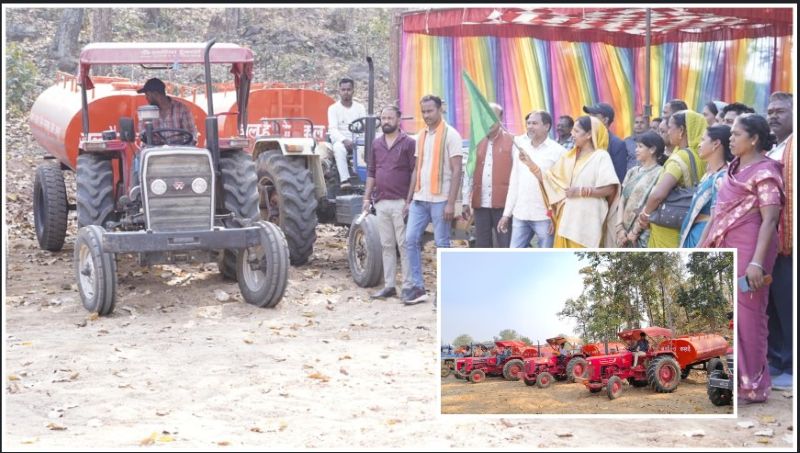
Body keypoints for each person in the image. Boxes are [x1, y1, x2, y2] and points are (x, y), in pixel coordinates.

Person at [699, 113, 784, 404]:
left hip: (751, 251)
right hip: (724, 246)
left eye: (736, 134)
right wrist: (700, 246)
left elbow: (770, 219)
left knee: (749, 316)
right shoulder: (733, 169)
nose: (730, 139)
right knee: (731, 317)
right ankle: (735, 381)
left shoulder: (766, 171)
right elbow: (717, 213)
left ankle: (754, 385)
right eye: (730, 134)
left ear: (754, 139)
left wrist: (757, 263)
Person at [520, 116, 620, 248]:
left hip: (587, 221)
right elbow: (550, 181)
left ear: (589, 134)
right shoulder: (569, 157)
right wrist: (531, 164)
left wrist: (580, 191)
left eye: (576, 131)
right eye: (572, 130)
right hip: (566, 219)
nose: (572, 134)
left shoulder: (600, 156)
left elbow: (610, 189)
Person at [404, 95, 463, 305]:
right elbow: (416, 169)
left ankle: (445, 290)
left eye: (430, 111)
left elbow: (457, 171)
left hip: (440, 200)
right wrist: (409, 199)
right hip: (420, 199)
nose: (427, 115)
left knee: (442, 244)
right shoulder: (420, 136)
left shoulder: (451, 135)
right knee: (410, 240)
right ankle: (418, 287)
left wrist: (450, 203)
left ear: (440, 110)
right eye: (424, 112)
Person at [362, 106, 416, 300]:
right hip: (382, 201)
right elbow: (371, 172)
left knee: (404, 244)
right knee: (386, 245)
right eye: (383, 118)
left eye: (390, 118)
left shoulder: (408, 143)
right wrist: (367, 198)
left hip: (400, 201)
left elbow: (414, 172)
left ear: (398, 120)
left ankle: (409, 285)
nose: (386, 121)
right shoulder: (377, 144)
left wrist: (409, 201)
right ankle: (390, 285)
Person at [638, 110, 707, 248]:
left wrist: (645, 215)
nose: (667, 132)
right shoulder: (701, 156)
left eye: (670, 127)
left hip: (667, 228)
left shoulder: (679, 158)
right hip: (686, 222)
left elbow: (658, 194)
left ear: (681, 130)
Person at [498, 111, 565, 248]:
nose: (530, 126)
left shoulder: (558, 152)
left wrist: (555, 217)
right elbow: (514, 183)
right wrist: (506, 215)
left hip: (545, 217)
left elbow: (561, 188)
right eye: (528, 123)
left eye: (534, 123)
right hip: (520, 214)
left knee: (545, 260)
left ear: (546, 126)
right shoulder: (520, 150)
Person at [765, 91, 793, 391]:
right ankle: (775, 361)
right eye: (770, 111)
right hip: (770, 241)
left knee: (788, 305)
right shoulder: (777, 148)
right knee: (772, 304)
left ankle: (791, 365)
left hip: (789, 240)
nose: (773, 115)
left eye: (780, 111)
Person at [460, 103, 513, 248]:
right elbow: (469, 174)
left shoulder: (513, 141)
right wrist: (465, 201)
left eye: (492, 116)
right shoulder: (476, 141)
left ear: (500, 119)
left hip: (504, 205)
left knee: (505, 244)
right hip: (480, 204)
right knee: (482, 244)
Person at [678, 125, 733, 248]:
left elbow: (715, 218)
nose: (699, 145)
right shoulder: (709, 175)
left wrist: (700, 247)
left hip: (702, 236)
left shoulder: (722, 178)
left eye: (703, 140)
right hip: (694, 232)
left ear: (716, 144)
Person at [612, 131, 666, 248]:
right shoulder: (632, 171)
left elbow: (651, 205)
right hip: (622, 231)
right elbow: (622, 199)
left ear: (652, 150)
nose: (636, 150)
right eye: (636, 146)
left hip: (642, 233)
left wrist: (635, 232)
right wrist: (619, 228)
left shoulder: (661, 173)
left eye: (640, 147)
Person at [328, 77, 367, 189]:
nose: (346, 92)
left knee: (370, 146)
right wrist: (344, 140)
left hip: (357, 138)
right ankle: (345, 180)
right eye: (343, 90)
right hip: (342, 140)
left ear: (353, 91)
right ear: (339, 91)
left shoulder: (360, 107)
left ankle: (367, 178)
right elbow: (333, 129)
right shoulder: (333, 108)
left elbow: (363, 125)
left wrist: (359, 139)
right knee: (339, 148)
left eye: (349, 89)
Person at [136, 78, 197, 145]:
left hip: (178, 151)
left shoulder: (182, 109)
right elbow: (143, 135)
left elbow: (191, 134)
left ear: (156, 94)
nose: (146, 98)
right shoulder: (146, 112)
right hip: (155, 152)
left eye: (147, 95)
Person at [583, 102, 628, 183]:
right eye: (589, 115)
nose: (590, 118)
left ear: (605, 120)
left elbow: (619, 177)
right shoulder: (585, 139)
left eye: (594, 115)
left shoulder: (616, 144)